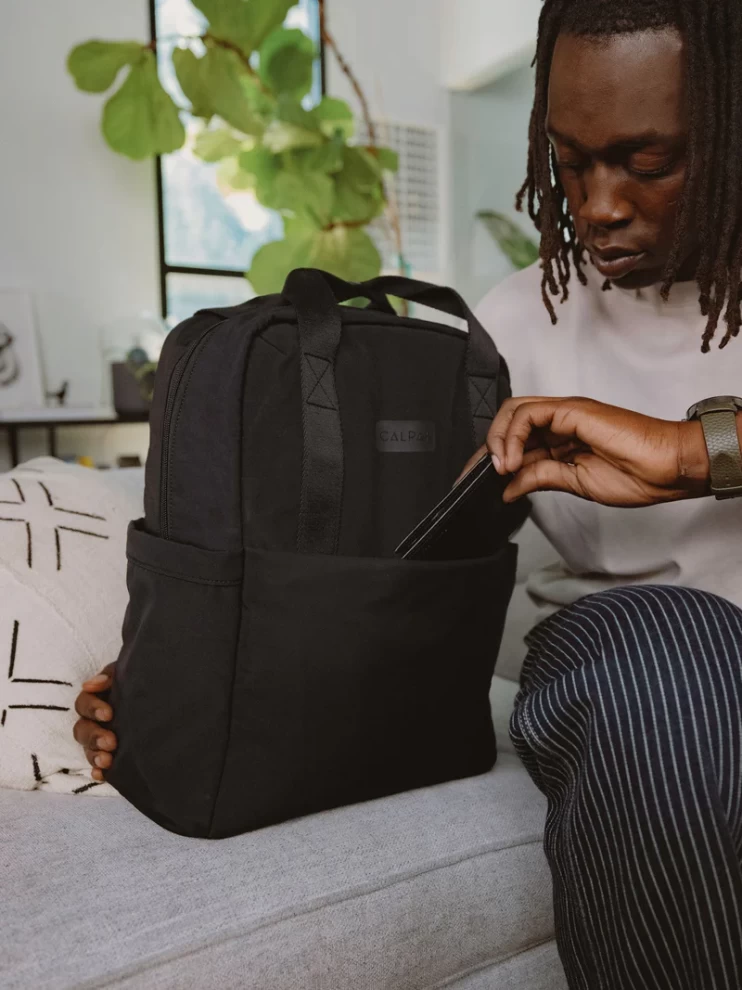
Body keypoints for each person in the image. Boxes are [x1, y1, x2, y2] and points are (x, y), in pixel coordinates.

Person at [74, 1, 742, 987]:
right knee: (669, 658)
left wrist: (696, 452)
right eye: (568, 163)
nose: (597, 205)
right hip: (639, 659)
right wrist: (185, 671)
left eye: (648, 163)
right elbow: (385, 561)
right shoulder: (519, 325)